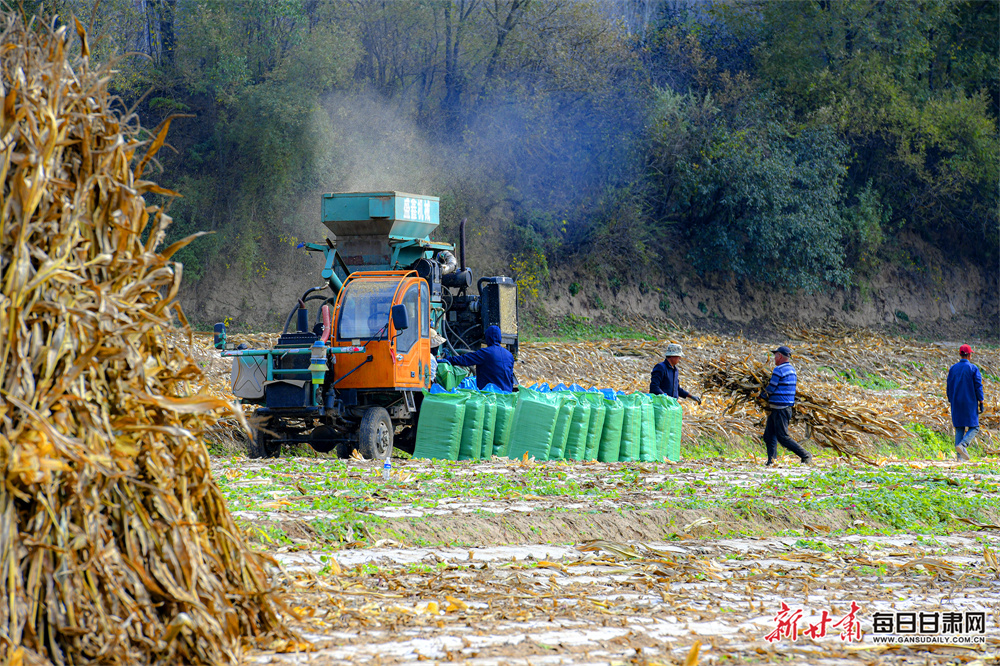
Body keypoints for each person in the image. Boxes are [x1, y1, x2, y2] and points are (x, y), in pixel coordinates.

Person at [759, 345, 812, 467]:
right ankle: (771, 461)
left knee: (782, 437)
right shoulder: (791, 369)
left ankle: (805, 455)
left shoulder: (779, 370)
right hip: (782, 407)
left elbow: (771, 388)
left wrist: (761, 395)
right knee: (768, 435)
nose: (774, 358)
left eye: (775, 355)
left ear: (780, 356)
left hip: (780, 408)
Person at [441, 325, 516, 392]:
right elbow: (510, 376)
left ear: (487, 337)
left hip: (489, 394)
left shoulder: (485, 353)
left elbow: (465, 359)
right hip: (506, 395)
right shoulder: (509, 355)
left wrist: (448, 359)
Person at [946, 344, 985, 462]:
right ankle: (963, 445)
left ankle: (960, 458)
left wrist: (951, 399)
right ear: (969, 355)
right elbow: (978, 386)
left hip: (956, 402)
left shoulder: (953, 368)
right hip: (970, 402)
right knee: (975, 427)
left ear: (960, 354)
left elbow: (949, 386)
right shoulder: (973, 368)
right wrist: (981, 401)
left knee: (959, 428)